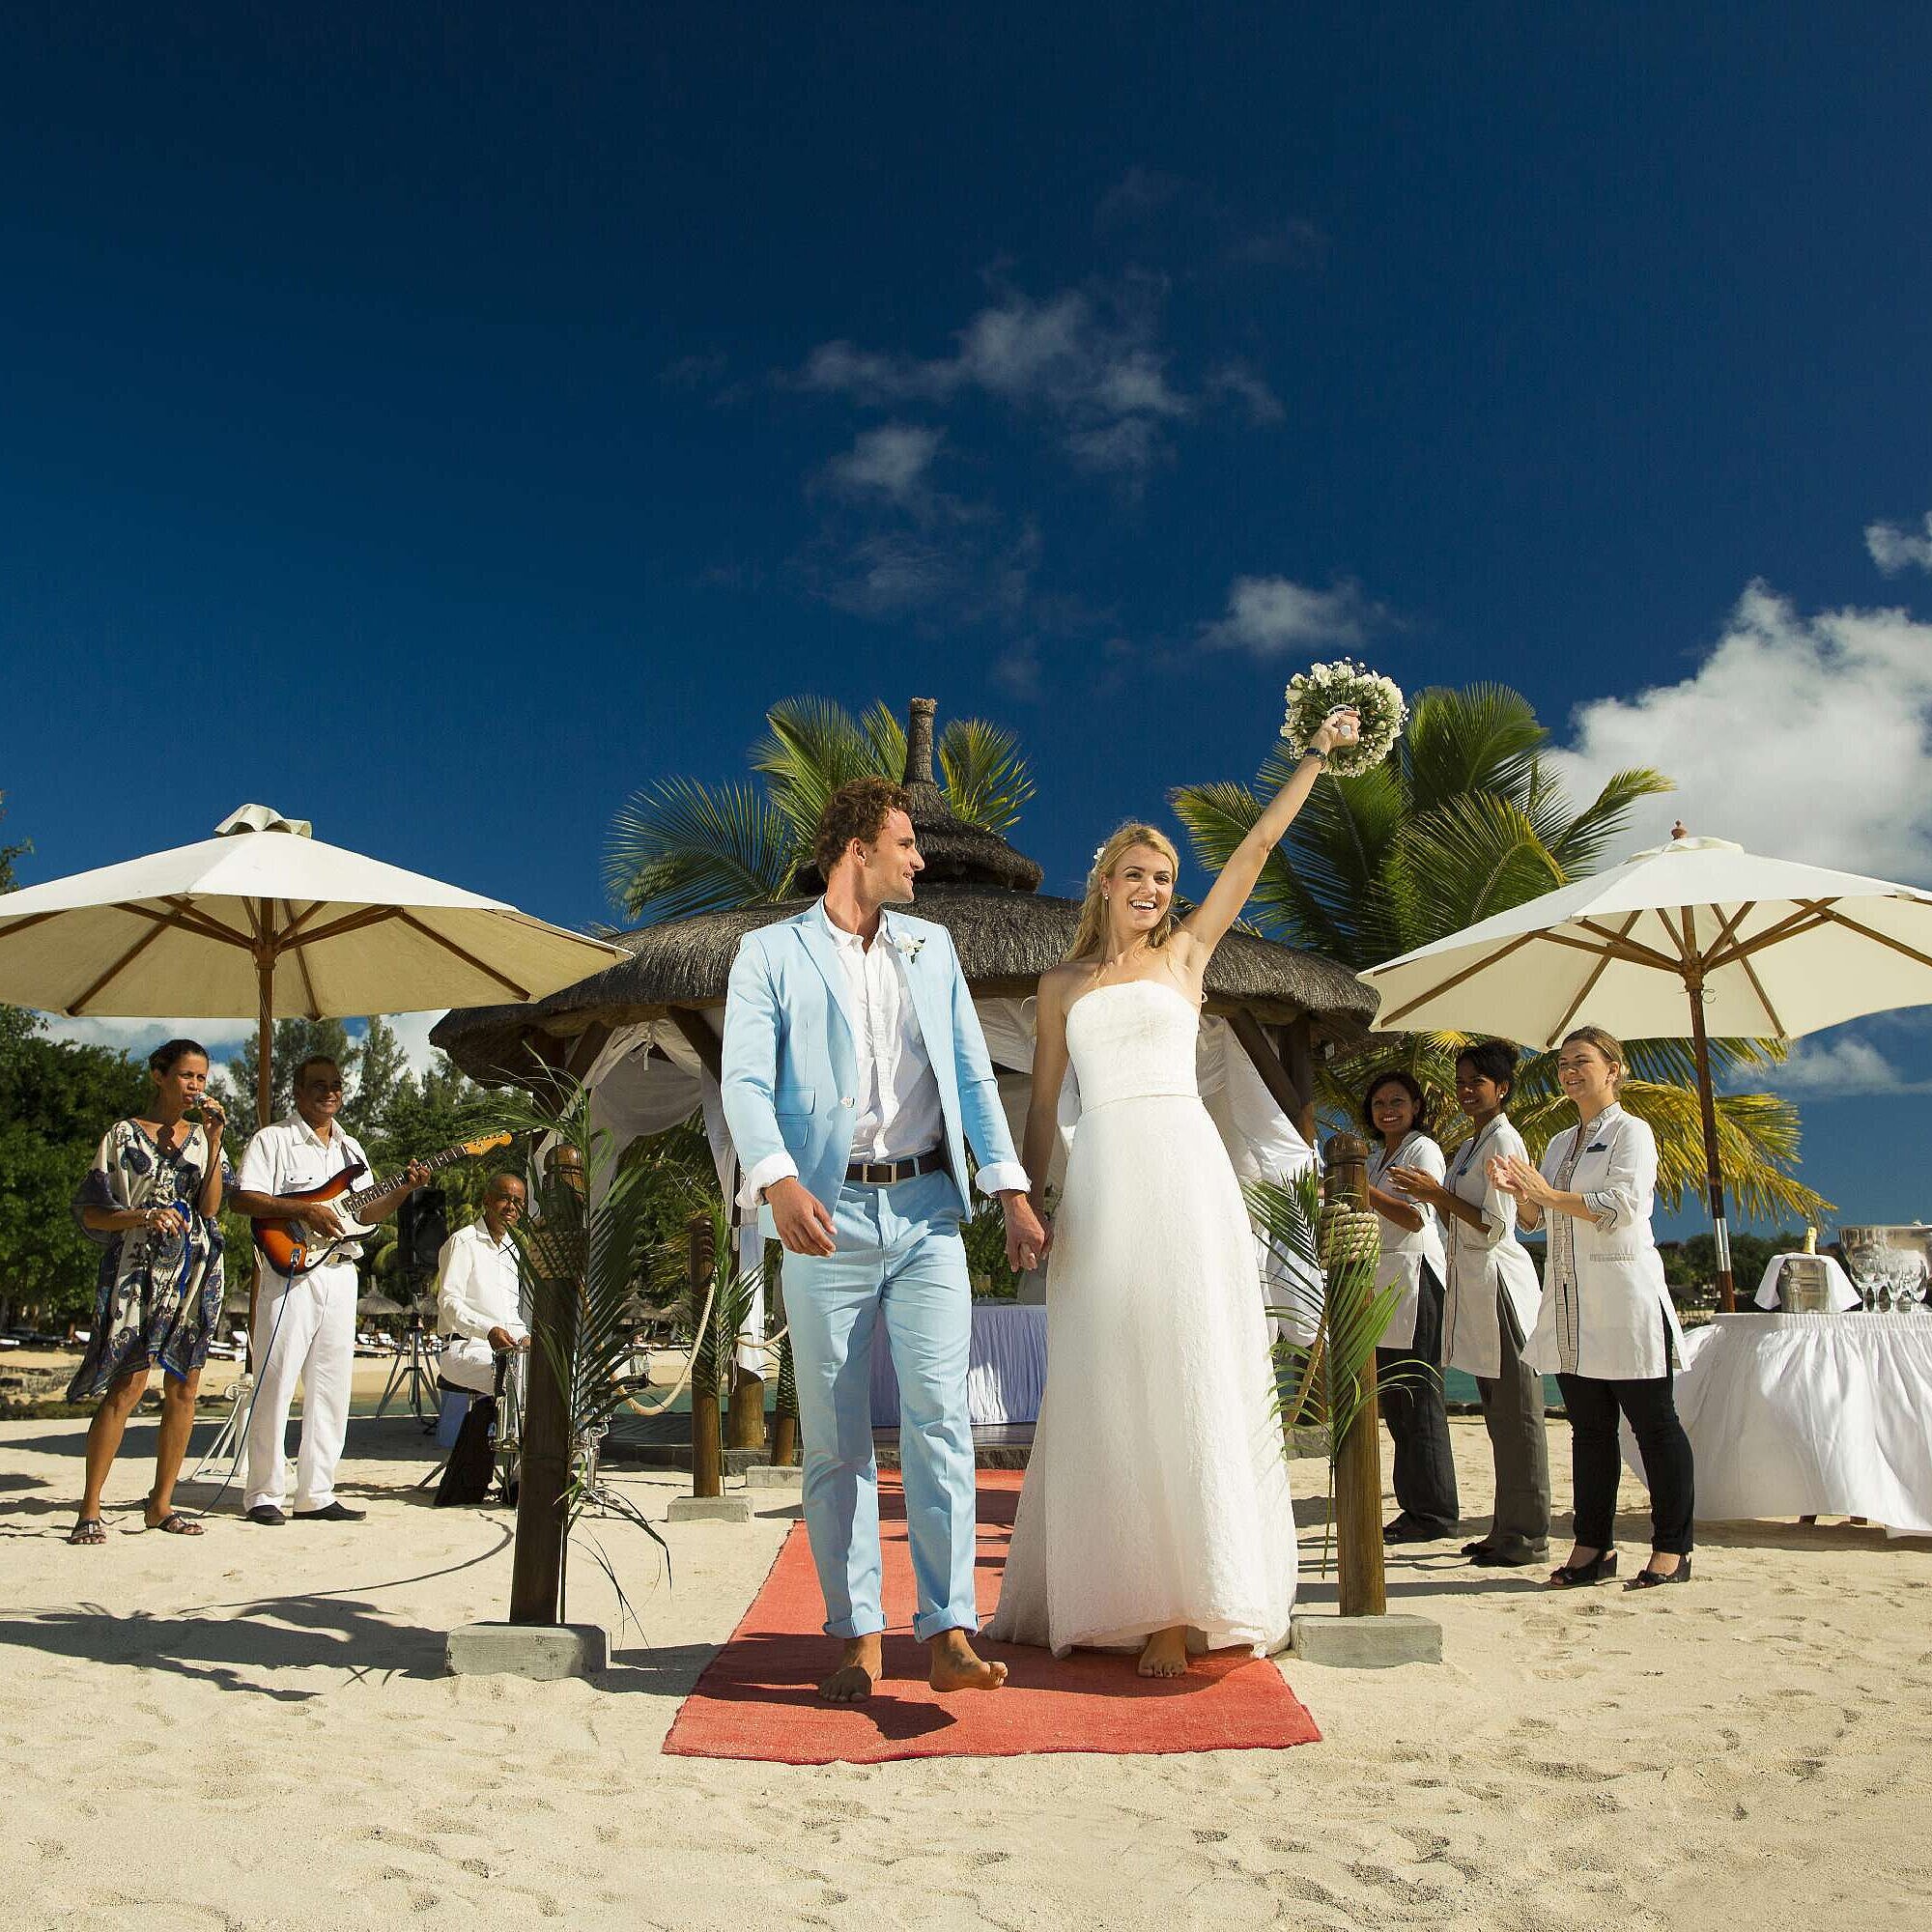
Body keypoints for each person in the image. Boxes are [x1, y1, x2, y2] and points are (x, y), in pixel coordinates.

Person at [989, 705, 1360, 1675]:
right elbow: (1042, 1106)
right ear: (1103, 884)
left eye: (1163, 878)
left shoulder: (1188, 957)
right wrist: (1025, 1200)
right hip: (1103, 1173)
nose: (1152, 889)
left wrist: (1313, 754)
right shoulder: (1059, 983)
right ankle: (1116, 1585)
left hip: (1184, 1172)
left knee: (1190, 1364)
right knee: (1108, 1373)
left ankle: (1178, 1603)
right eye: (1137, 875)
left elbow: (1258, 846)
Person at [720, 776, 1050, 1704]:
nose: (921, 860)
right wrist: (777, 1181)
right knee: (833, 1438)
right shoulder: (769, 955)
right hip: (822, 1218)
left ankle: (948, 1628)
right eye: (906, 845)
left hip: (928, 1215)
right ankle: (856, 1635)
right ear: (857, 848)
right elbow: (744, 1083)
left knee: (941, 1419)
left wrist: (1011, 1191)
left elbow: (974, 1078)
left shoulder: (931, 947)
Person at [1491, 1025, 1695, 1591]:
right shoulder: (1559, 1143)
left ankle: (1673, 1549)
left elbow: (1622, 1206)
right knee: (1590, 1429)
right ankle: (1593, 1546)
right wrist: (1520, 1195)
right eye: (1562, 1063)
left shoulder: (1635, 1132)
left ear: (1614, 1069)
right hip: (1572, 1301)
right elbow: (1544, 1220)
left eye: (1582, 1061)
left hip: (1623, 1297)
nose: (1570, 1071)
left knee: (1654, 1426)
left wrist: (1548, 1195)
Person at [233, 1056, 427, 1525]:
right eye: (318, 1085)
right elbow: (243, 1198)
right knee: (275, 1381)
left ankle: (316, 1493)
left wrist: (403, 1191)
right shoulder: (273, 1140)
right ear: (297, 1091)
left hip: (341, 1273)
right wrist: (302, 1210)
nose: (329, 1092)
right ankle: (263, 1492)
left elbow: (366, 1212)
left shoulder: (351, 1150)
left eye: (335, 1085)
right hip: (291, 1272)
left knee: (332, 1386)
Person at [1390, 1040, 1550, 1567]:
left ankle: (1526, 1534)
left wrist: (1435, 1196)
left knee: (1518, 1413)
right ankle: (1507, 1527)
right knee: (1497, 1413)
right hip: (1474, 1286)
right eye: (1460, 1082)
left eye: (1475, 1082)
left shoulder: (1503, 1139)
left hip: (1499, 1281)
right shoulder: (1470, 1144)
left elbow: (1498, 1223)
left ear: (1501, 1089)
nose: (1464, 1091)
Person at [65, 1039, 228, 1544]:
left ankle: (160, 1504)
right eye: (185, 1076)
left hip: (194, 1271)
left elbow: (212, 1208)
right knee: (128, 1386)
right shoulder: (121, 1135)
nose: (195, 1087)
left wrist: (217, 1141)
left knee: (184, 1387)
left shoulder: (204, 1139)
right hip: (135, 1268)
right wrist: (141, 1215)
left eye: (201, 1078)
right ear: (158, 1075)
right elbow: (92, 1211)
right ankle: (89, 1507)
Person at [1362, 1070, 1459, 1545]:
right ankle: (1414, 1505)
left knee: (1420, 1399)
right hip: (1385, 1286)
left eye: (1397, 1100)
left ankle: (1435, 1512)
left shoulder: (1422, 1150)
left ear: (1416, 1106)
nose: (1387, 1109)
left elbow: (1415, 1215)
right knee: (1397, 1404)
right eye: (1379, 1102)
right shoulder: (1381, 1156)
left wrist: (1362, 1189)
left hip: (1418, 1280)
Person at [436, 1173, 530, 1395]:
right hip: (464, 1349)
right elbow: (449, 1303)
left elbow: (509, 1316)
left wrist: (525, 1337)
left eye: (518, 1202)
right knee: (519, 1379)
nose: (511, 1207)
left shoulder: (512, 1248)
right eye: (504, 1198)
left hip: (505, 1351)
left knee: (551, 1373)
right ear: (487, 1200)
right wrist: (488, 1330)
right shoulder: (463, 1241)